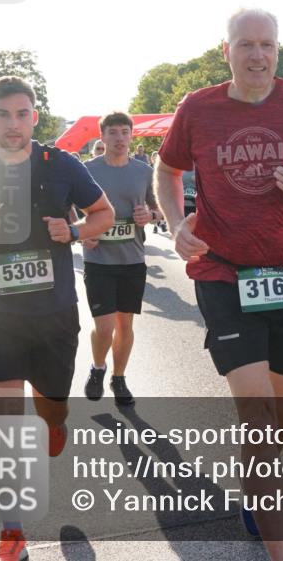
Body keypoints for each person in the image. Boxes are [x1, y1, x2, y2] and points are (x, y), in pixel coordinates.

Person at [155, 8, 283, 561]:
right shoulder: (199, 108)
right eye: (246, 45)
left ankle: (256, 494)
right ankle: (281, 553)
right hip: (224, 273)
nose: (258, 55)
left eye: (267, 45)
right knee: (258, 419)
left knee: (280, 424)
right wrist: (174, 224)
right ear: (227, 51)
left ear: (277, 50)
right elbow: (165, 170)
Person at [0, 76, 114, 561]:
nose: (13, 123)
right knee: (7, 422)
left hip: (55, 312)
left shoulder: (62, 165)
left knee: (50, 407)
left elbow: (104, 213)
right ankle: (12, 529)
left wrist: (74, 229)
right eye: (4, 114)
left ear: (34, 116)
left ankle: (55, 423)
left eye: (22, 113)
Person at [81, 111, 162, 406]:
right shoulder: (87, 170)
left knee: (125, 325)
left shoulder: (143, 171)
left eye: (124, 132)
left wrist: (150, 215)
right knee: (104, 326)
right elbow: (69, 207)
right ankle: (97, 367)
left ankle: (119, 378)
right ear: (102, 137)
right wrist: (82, 231)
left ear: (132, 136)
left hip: (132, 259)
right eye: (112, 132)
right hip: (98, 259)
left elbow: (159, 209)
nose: (119, 138)